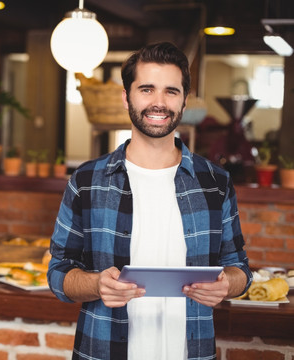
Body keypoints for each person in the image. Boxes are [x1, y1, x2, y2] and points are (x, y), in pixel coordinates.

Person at [47, 42, 252, 360]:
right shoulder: (87, 181)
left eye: (171, 91)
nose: (159, 103)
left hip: (191, 352)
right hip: (103, 350)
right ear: (126, 97)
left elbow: (239, 268)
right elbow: (58, 273)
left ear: (184, 100)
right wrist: (95, 284)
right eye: (147, 89)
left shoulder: (215, 182)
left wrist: (227, 285)